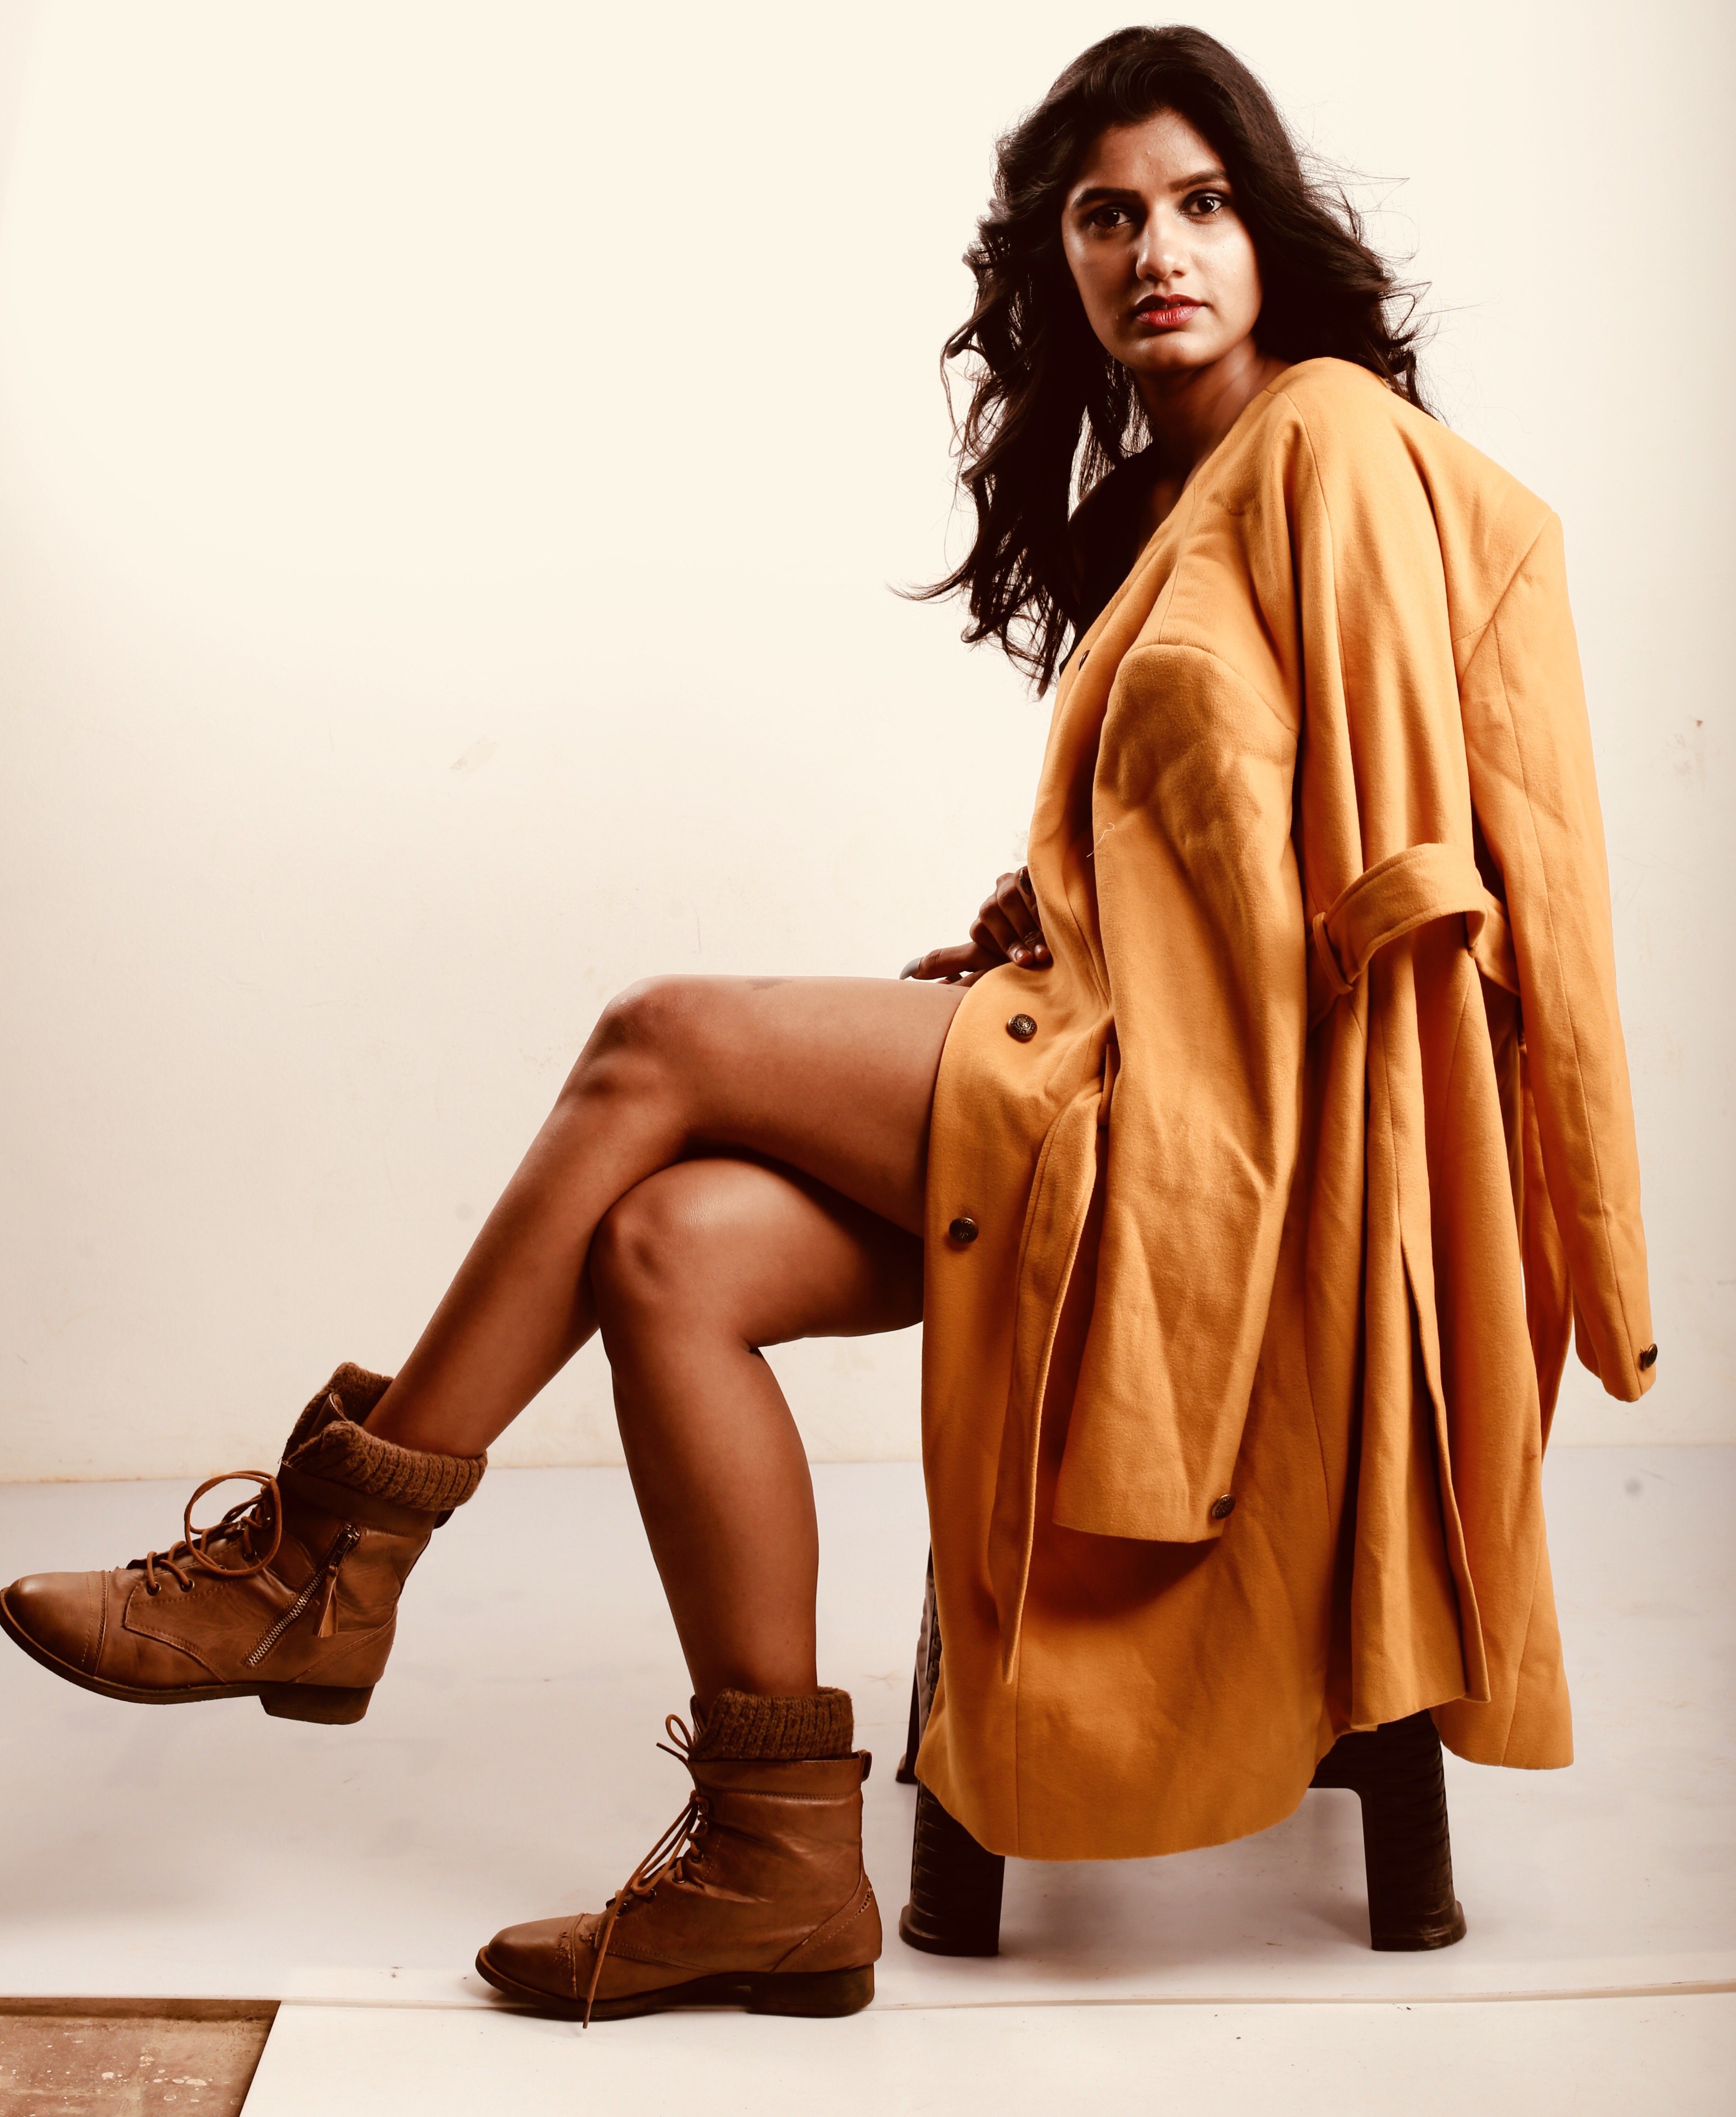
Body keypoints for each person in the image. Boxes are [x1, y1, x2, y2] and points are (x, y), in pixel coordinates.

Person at [0, 24, 1654, 2026]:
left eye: (1202, 204)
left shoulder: (1330, 439)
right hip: (1106, 1066)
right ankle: (773, 1859)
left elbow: (1398, 856)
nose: (1156, 250)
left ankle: (318, 1561)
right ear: (1057, 258)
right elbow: (1225, 816)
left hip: (1218, 1138)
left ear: (1268, 231)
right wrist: (1046, 907)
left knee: (656, 1038)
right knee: (665, 1246)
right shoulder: (1177, 492)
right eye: (1107, 214)